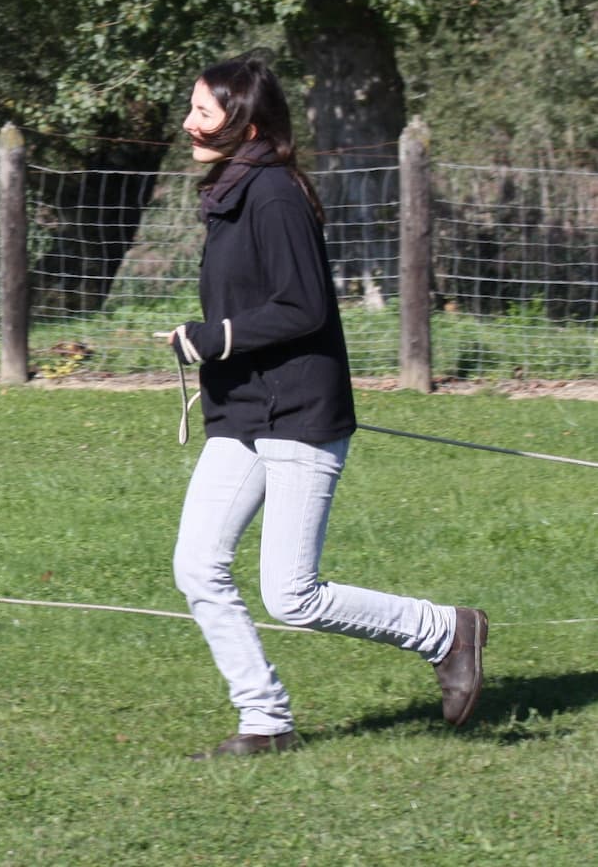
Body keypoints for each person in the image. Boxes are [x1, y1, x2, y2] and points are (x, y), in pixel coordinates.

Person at [165, 54, 487, 759]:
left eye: (202, 112)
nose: (188, 121)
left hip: (299, 414)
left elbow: (306, 306)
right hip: (243, 412)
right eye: (192, 108)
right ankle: (265, 721)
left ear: (243, 122)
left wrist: (215, 337)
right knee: (196, 566)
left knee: (292, 596)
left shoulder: (274, 193)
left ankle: (445, 632)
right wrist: (208, 341)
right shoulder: (230, 191)